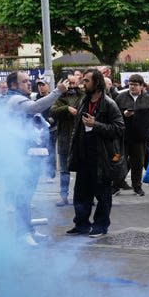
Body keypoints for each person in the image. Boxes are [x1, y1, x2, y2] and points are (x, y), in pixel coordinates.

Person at [5, 71, 68, 245]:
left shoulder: (20, 98)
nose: (29, 83)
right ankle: (22, 234)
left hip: (26, 155)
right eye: (24, 81)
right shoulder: (14, 100)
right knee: (22, 196)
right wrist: (57, 92)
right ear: (13, 85)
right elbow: (35, 108)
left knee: (26, 195)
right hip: (19, 156)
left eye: (28, 80)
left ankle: (28, 231)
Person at [66, 69, 124, 237]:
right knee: (81, 193)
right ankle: (82, 224)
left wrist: (96, 124)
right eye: (83, 81)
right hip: (83, 155)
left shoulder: (109, 104)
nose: (83, 84)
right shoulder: (83, 101)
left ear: (97, 83)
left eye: (86, 81)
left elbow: (119, 129)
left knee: (103, 195)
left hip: (102, 158)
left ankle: (100, 226)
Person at [114, 73, 149, 196]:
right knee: (118, 161)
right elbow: (114, 115)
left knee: (138, 163)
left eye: (135, 85)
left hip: (140, 137)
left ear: (141, 86)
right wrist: (124, 114)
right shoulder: (120, 97)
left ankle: (137, 186)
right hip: (122, 136)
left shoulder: (148, 99)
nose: (132, 87)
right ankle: (115, 185)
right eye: (130, 84)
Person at [50, 69, 84, 206]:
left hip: (81, 138)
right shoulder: (59, 97)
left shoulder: (84, 95)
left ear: (78, 82)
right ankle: (63, 196)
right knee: (64, 171)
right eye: (69, 82)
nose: (71, 85)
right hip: (64, 138)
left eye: (73, 82)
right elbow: (53, 111)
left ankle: (83, 196)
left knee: (83, 170)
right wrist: (67, 109)